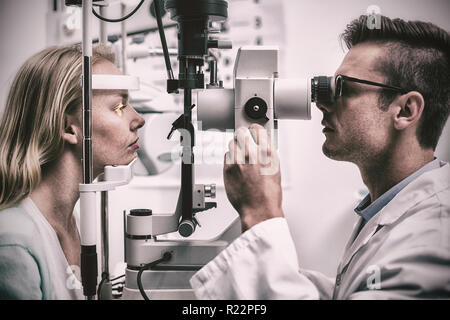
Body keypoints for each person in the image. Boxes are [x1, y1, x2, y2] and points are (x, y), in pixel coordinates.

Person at [190, 15, 450, 299]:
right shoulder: (387, 208)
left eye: (343, 88)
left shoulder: (432, 238)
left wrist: (260, 215)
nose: (322, 103)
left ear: (405, 110)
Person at [0, 44, 145, 299]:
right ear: (68, 127)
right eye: (119, 107)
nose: (139, 119)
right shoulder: (14, 242)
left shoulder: (72, 221)